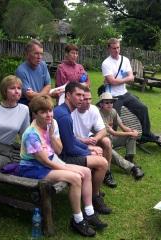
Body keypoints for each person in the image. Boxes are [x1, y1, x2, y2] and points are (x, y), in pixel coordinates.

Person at [18, 95, 107, 237]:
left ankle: (89, 213)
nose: (49, 115)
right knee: (76, 177)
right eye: (43, 112)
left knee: (86, 172)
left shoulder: (52, 123)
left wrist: (53, 135)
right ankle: (77, 220)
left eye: (50, 110)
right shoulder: (31, 134)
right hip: (33, 167)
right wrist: (66, 168)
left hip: (51, 160)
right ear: (34, 114)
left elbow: (58, 150)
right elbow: (45, 162)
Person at [53, 82, 111, 214]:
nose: (81, 98)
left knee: (98, 153)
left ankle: (92, 195)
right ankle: (95, 197)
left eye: (83, 96)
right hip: (60, 158)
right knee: (102, 162)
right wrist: (89, 152)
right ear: (68, 95)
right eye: (78, 95)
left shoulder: (64, 111)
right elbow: (69, 149)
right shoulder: (64, 116)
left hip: (63, 153)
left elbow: (72, 139)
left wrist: (89, 148)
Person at [0, 75, 30, 234]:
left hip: (5, 152)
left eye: (19, 88)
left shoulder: (23, 110)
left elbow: (26, 134)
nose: (16, 91)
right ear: (4, 90)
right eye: (12, 88)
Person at [101, 38, 158, 142]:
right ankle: (111, 140)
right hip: (113, 96)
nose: (117, 50)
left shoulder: (125, 60)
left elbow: (131, 78)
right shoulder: (106, 63)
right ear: (109, 49)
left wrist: (118, 80)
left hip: (125, 93)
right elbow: (113, 82)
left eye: (118, 47)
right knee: (113, 116)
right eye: (114, 48)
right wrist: (125, 79)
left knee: (143, 108)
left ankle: (146, 134)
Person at [98, 92, 144, 180]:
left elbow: (122, 126)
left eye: (111, 102)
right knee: (110, 149)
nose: (110, 104)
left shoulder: (113, 111)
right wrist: (130, 133)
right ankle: (132, 168)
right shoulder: (98, 115)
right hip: (102, 141)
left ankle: (129, 158)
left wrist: (132, 131)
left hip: (111, 138)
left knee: (131, 136)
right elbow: (113, 132)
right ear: (101, 104)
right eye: (106, 102)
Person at [15, 39, 62, 106]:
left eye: (41, 54)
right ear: (27, 54)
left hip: (40, 101)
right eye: (36, 53)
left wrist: (40, 97)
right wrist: (49, 95)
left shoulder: (43, 65)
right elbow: (29, 96)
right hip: (27, 103)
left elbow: (48, 85)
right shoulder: (21, 71)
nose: (39, 57)